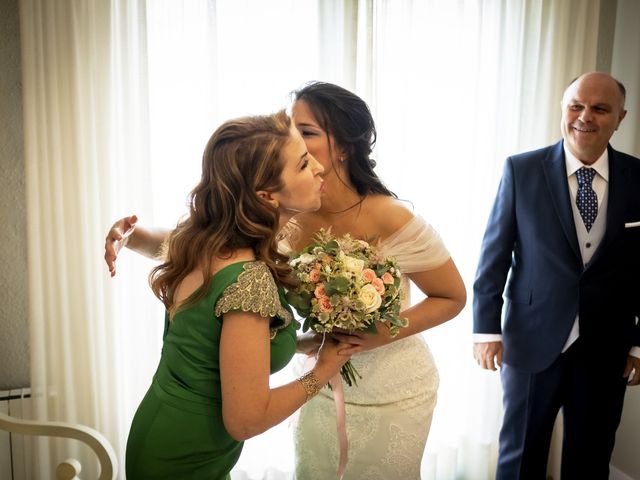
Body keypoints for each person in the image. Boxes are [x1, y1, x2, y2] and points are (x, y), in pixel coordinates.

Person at [105, 82, 467, 479]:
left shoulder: (385, 217)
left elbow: (452, 296)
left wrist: (370, 336)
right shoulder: (266, 230)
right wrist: (132, 236)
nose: (298, 145)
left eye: (306, 133)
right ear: (268, 195)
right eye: (295, 138)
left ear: (343, 145)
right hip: (309, 393)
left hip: (391, 385)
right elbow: (199, 242)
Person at [119, 110, 353, 479]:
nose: (319, 170)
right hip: (184, 459)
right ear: (267, 195)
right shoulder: (249, 278)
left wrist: (310, 342)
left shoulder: (208, 242)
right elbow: (246, 421)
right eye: (304, 164)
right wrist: (322, 371)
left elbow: (220, 348)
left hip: (166, 433)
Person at [472, 72, 640, 479]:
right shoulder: (521, 170)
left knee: (591, 455)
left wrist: (638, 345)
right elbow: (493, 257)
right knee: (520, 455)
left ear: (620, 117)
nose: (586, 117)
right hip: (531, 339)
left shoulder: (639, 178)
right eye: (576, 106)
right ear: (563, 110)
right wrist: (485, 331)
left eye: (600, 109)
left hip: (606, 347)